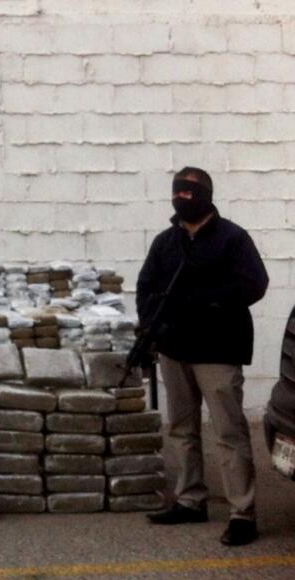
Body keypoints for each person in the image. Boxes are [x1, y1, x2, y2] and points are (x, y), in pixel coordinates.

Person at [137, 166, 268, 546]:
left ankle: (242, 513)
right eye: (178, 192)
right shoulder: (166, 241)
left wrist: (208, 302)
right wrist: (153, 326)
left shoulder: (232, 238)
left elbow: (254, 284)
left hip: (218, 350)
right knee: (180, 430)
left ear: (207, 196)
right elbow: (146, 287)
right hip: (174, 350)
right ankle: (190, 500)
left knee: (229, 432)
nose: (183, 199)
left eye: (191, 193)